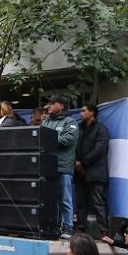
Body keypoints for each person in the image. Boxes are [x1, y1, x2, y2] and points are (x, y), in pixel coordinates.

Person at [41, 95, 79, 239]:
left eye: (52, 103)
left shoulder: (70, 122)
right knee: (49, 199)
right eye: (48, 103)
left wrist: (48, 139)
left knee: (65, 199)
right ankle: (53, 227)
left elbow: (68, 140)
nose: (49, 106)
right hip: (47, 167)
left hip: (63, 167)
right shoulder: (46, 122)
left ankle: (68, 227)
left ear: (61, 105)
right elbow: (38, 138)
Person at [75, 103, 109, 236]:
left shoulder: (101, 129)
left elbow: (99, 150)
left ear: (92, 113)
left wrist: (82, 163)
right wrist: (76, 163)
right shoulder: (79, 128)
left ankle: (104, 232)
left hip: (96, 172)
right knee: (80, 203)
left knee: (98, 203)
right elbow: (74, 147)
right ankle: (81, 229)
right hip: (79, 173)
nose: (80, 113)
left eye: (83, 111)